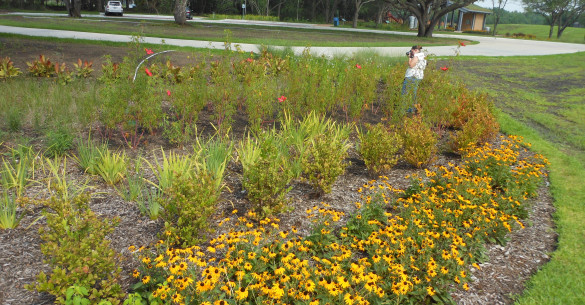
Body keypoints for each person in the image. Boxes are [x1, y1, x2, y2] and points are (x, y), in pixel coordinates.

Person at [401, 45, 427, 113]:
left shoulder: (416, 56)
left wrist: (410, 57)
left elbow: (411, 65)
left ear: (415, 50)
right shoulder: (422, 56)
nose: (411, 52)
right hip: (418, 77)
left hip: (412, 76)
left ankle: (403, 110)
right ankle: (413, 109)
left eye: (411, 50)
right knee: (413, 93)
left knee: (405, 93)